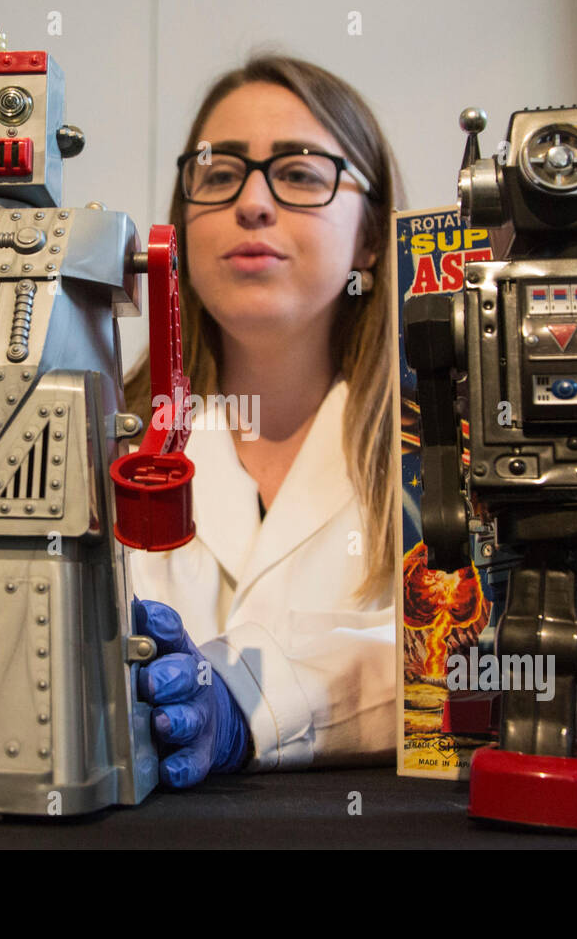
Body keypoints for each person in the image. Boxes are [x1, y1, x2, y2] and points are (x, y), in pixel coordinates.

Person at [124, 54, 404, 788]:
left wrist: (245, 702)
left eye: (301, 173)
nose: (252, 204)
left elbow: (450, 664)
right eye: (218, 175)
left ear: (371, 237)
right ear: (181, 229)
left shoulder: (444, 450)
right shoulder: (100, 438)